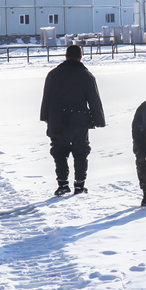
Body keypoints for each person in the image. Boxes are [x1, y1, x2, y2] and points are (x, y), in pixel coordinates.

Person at [40, 44, 105, 196]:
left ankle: (62, 184)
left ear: (66, 57)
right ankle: (79, 185)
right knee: (81, 152)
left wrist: (45, 117)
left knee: (59, 152)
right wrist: (98, 120)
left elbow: (46, 98)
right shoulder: (87, 76)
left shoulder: (53, 74)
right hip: (79, 120)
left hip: (57, 119)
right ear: (80, 57)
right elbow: (94, 99)